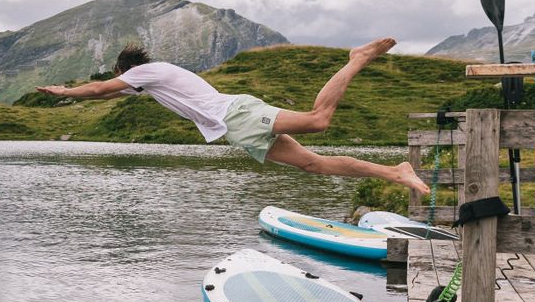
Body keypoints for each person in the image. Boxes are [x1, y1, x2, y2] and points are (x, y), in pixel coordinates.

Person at [36, 39, 430, 195]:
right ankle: (396, 172)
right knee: (316, 165)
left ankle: (357, 59)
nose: (124, 85)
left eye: (123, 79)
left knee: (317, 120)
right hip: (235, 128)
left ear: (126, 71)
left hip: (237, 115)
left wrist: (65, 92)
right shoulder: (151, 78)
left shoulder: (141, 73)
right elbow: (113, 92)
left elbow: (102, 89)